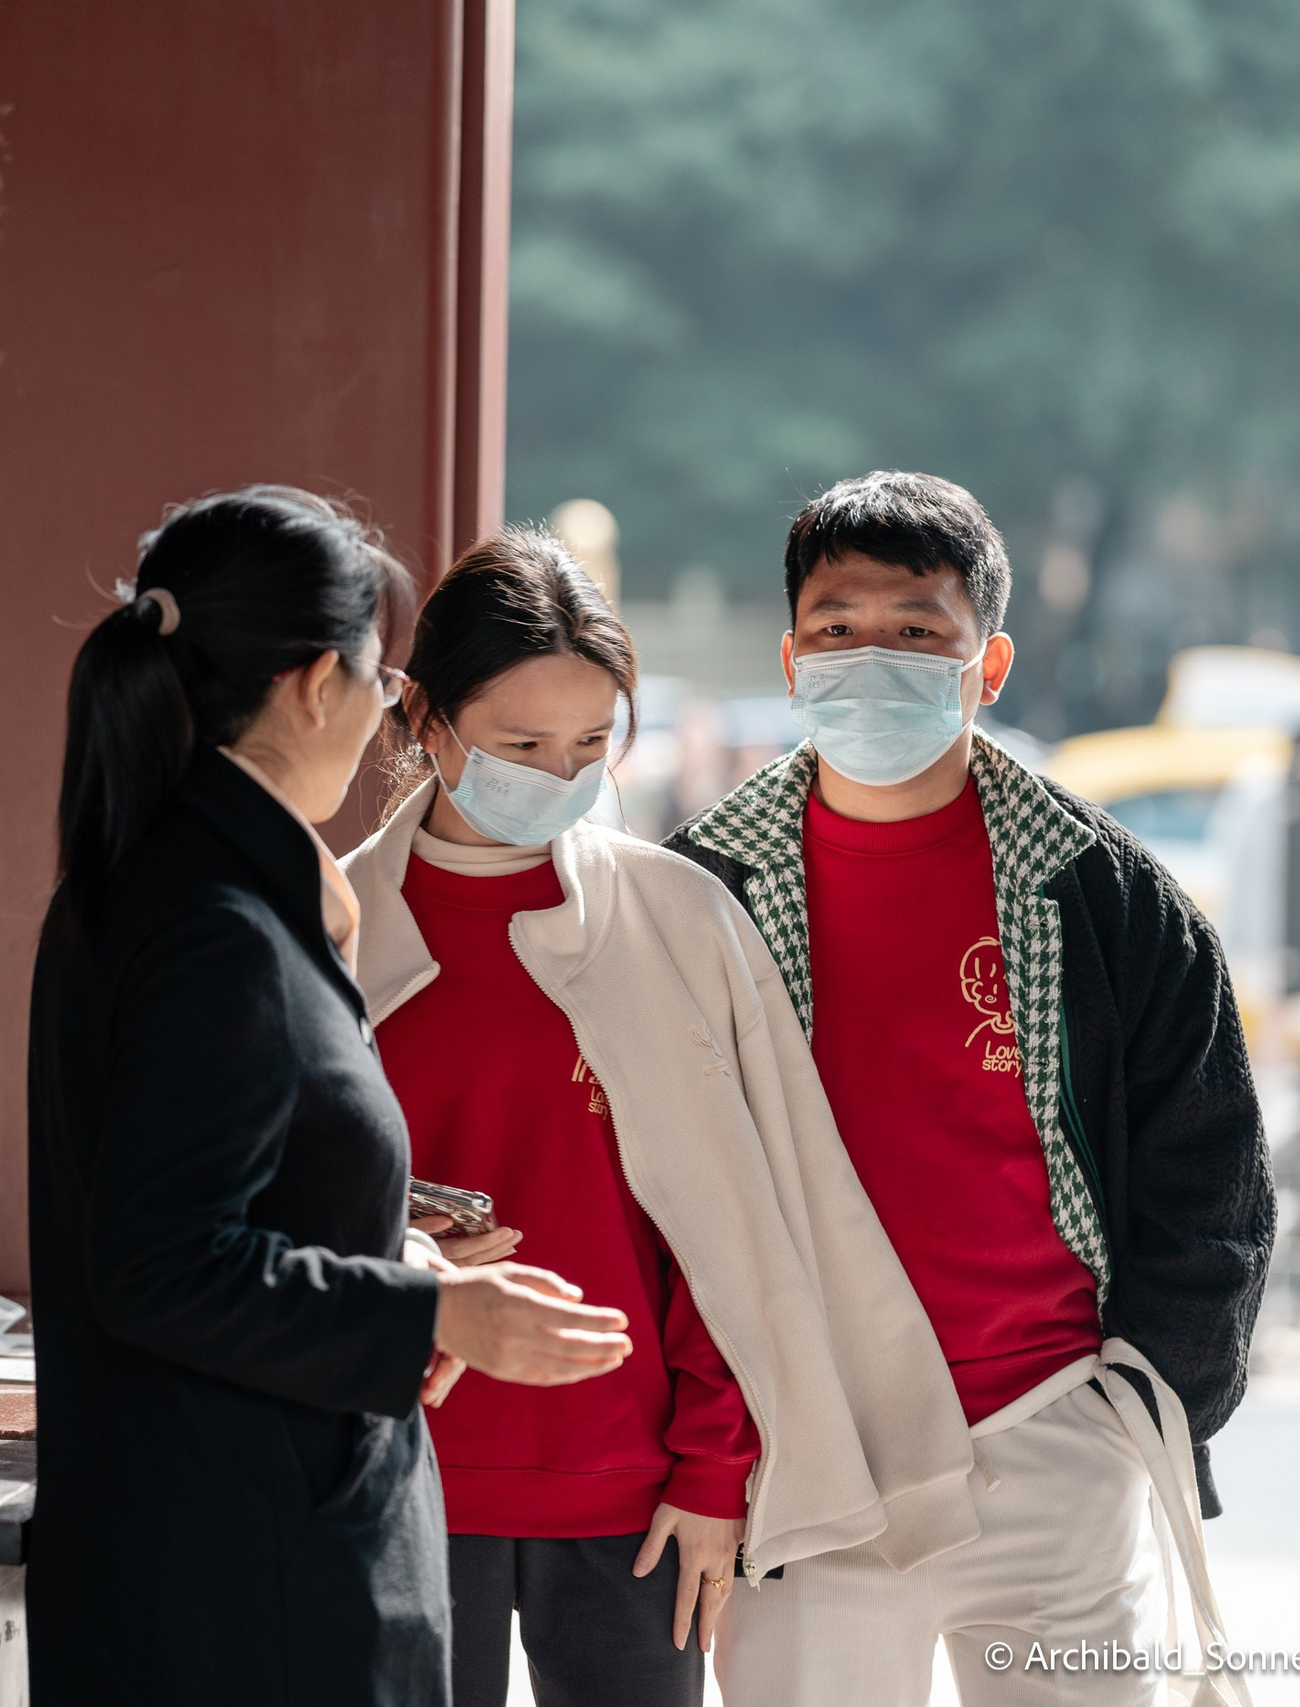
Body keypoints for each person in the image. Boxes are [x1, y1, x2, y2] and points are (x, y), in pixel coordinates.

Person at [344, 528, 982, 1707]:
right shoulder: (329, 927)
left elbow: (739, 1226)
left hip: (636, 1499)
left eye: (591, 742)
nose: (561, 772)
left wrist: (710, 1470)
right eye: (521, 745)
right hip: (393, 1483)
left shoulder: (677, 920)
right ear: (425, 722)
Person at [666, 471, 1274, 1707]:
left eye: (914, 630)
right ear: (789, 657)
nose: (868, 656)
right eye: (836, 629)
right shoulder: (697, 890)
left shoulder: (1109, 898)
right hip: (804, 1443)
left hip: (1052, 1427)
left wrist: (1141, 1406)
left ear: (985, 664)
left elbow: (1212, 1173)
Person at [26, 486, 636, 1707]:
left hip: (230, 1550)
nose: (374, 719)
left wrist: (388, 1240)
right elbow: (164, 1263)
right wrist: (432, 1317)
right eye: (375, 679)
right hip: (249, 1579)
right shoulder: (213, 922)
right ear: (314, 683)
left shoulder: (184, 877)